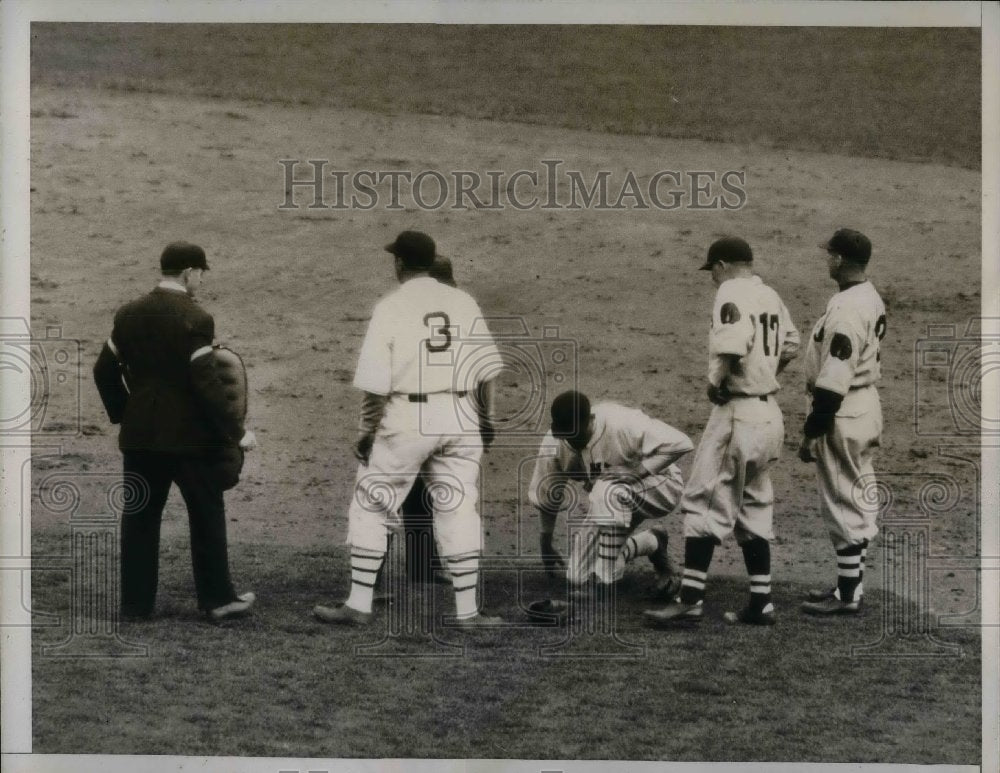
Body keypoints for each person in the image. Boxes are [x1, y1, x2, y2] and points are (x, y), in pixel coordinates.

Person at [313, 231, 502, 627]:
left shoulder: (391, 306)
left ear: (398, 263)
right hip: (461, 412)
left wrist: (366, 431)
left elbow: (374, 383)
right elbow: (487, 372)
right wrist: (485, 420)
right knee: (458, 507)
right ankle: (467, 612)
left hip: (410, 415)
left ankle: (359, 604)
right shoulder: (463, 300)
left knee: (372, 502)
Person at [93, 242, 257, 622]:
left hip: (140, 439)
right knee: (206, 514)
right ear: (188, 273)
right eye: (201, 272)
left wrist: (126, 412)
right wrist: (236, 431)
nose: (201, 279)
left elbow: (104, 370)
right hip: (190, 441)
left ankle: (135, 606)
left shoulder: (128, 313)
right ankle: (218, 601)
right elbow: (206, 384)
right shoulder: (196, 318)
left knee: (139, 519)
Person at [644, 237, 799, 627]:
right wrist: (766, 376)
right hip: (770, 417)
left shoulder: (730, 291)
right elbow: (792, 345)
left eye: (711, 271)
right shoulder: (770, 295)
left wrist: (718, 382)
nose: (712, 279)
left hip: (737, 414)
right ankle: (761, 602)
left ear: (722, 265)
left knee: (703, 498)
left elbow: (732, 345)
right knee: (754, 503)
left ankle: (690, 600)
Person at [528, 390, 693, 597]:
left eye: (576, 434)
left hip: (661, 485)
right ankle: (653, 542)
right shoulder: (554, 443)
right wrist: (546, 543)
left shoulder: (621, 422)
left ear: (591, 419)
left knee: (605, 488)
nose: (572, 440)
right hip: (614, 503)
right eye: (565, 435)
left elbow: (682, 442)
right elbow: (547, 495)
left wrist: (638, 472)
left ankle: (604, 581)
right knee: (577, 576)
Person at [798, 229, 886, 616]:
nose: (825, 260)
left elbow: (834, 377)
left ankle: (848, 596)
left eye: (828, 255)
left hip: (843, 410)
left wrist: (812, 430)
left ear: (838, 260)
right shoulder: (867, 295)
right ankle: (850, 585)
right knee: (858, 491)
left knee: (841, 500)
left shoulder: (848, 308)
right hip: (864, 406)